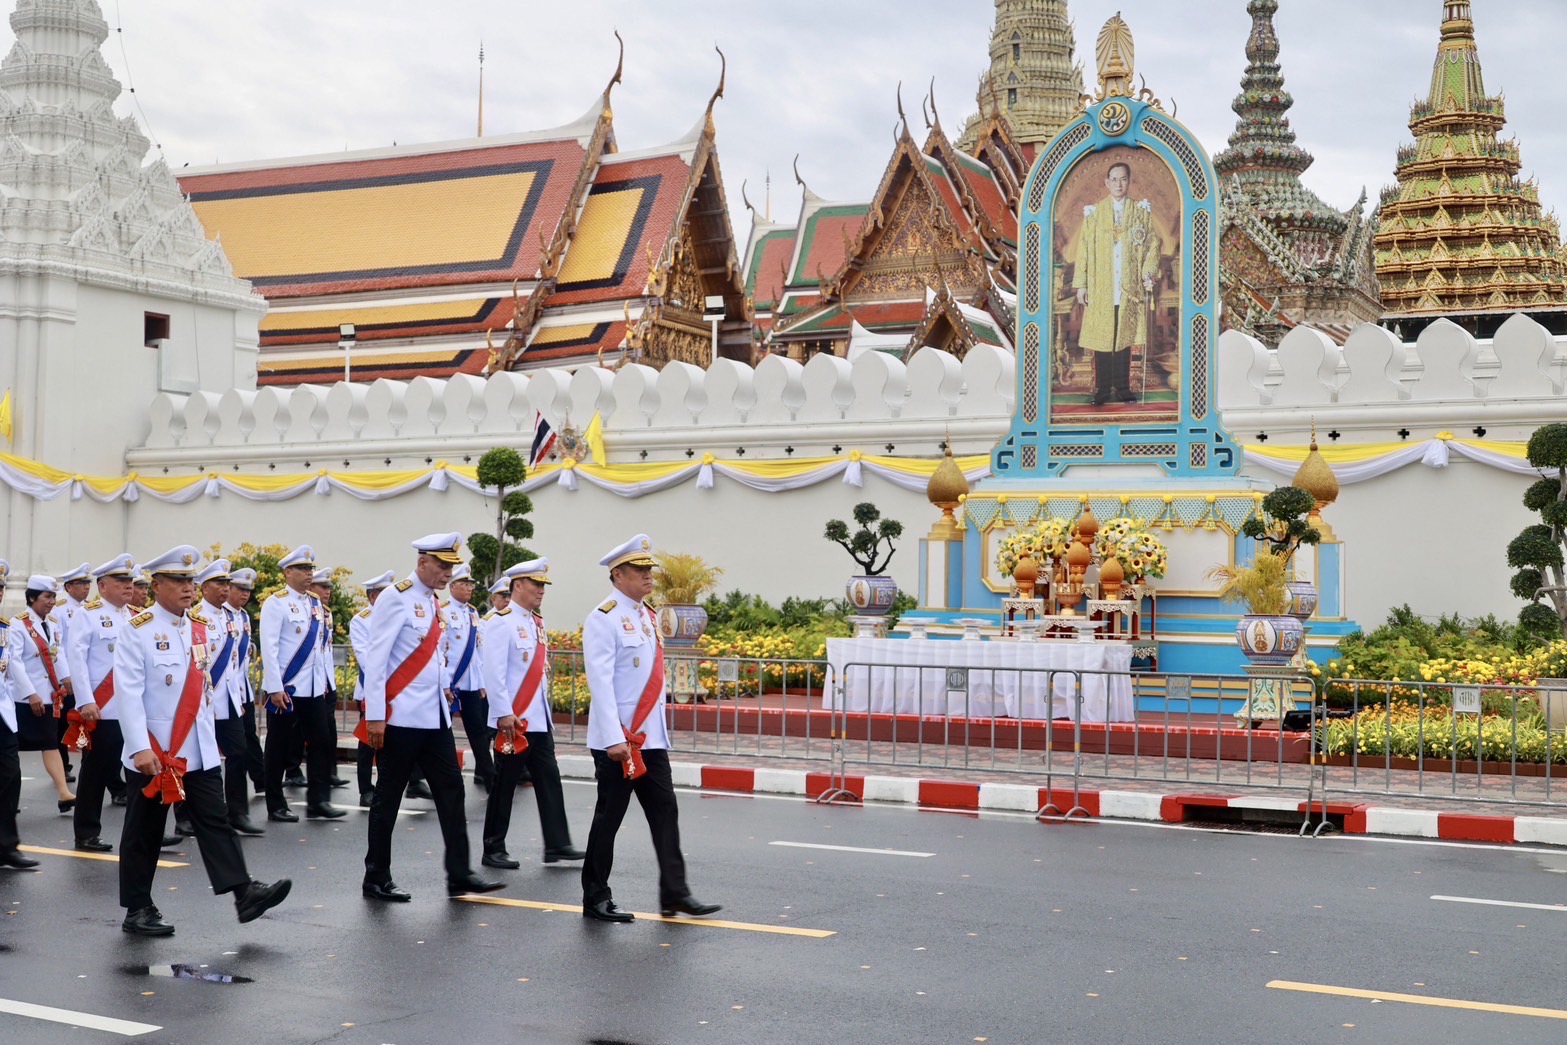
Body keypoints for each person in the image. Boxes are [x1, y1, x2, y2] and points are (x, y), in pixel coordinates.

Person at [115, 545, 291, 936]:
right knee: (144, 831)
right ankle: (137, 907)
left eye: (190, 580)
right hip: (157, 750)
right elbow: (128, 694)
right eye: (178, 580)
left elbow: (204, 687)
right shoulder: (138, 630)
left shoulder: (199, 627)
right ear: (157, 585)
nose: (187, 587)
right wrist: (140, 746)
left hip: (197, 748)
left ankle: (244, 894)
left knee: (215, 821)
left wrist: (212, 741)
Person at [580, 535, 720, 923]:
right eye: (640, 571)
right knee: (609, 818)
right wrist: (613, 738)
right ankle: (595, 897)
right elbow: (601, 682)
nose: (648, 577)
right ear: (618, 575)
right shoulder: (603, 617)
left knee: (665, 813)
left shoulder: (648, 614)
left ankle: (675, 893)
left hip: (650, 739)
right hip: (620, 739)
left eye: (649, 570)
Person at [359, 534, 501, 903]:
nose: (447, 573)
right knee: (388, 797)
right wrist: (376, 716)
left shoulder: (431, 602)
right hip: (401, 716)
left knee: (452, 793)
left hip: (433, 716)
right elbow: (377, 659)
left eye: (451, 567)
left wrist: (444, 692)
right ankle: (376, 875)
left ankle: (459, 874)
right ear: (422, 563)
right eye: (441, 566)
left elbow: (435, 657)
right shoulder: (395, 597)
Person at [480, 558, 583, 870]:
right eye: (536, 584)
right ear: (518, 586)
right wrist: (503, 713)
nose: (541, 590)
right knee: (505, 784)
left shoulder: (535, 622)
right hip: (514, 720)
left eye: (543, 585)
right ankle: (493, 847)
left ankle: (557, 843)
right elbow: (494, 673)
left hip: (537, 719)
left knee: (549, 779)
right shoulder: (501, 621)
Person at [259, 546, 344, 822]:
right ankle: (275, 802)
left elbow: (320, 648)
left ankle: (318, 801)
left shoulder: (315, 603)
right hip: (288, 688)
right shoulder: (276, 602)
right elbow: (269, 648)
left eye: (310, 569)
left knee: (320, 742)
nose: (309, 574)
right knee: (279, 746)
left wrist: (324, 682)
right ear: (288, 572)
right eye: (303, 569)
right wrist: (274, 687)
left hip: (313, 688)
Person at [1073, 159, 1162, 406]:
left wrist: (1147, 273)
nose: (1118, 184)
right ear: (1106, 182)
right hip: (1101, 285)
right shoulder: (1094, 213)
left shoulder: (1140, 211)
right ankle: (1102, 389)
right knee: (1103, 339)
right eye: (1114, 179)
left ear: (1129, 181)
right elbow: (1083, 250)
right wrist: (1082, 284)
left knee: (1123, 338)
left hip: (1128, 286)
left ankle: (1123, 388)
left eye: (1123, 179)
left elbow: (1152, 245)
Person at [65, 554, 137, 852]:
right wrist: (85, 700)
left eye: (130, 581)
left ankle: (144, 831)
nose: (128, 587)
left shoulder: (133, 616)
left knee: (136, 770)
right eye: (121, 582)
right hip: (103, 708)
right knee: (96, 772)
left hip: (131, 708)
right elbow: (77, 659)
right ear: (103, 585)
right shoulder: (88, 614)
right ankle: (86, 831)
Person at [195, 561, 262, 837]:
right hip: (203, 701)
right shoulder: (195, 616)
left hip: (230, 699)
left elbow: (236, 662)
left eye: (226, 584)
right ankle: (187, 815)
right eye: (219, 584)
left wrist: (241, 696)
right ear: (205, 587)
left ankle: (237, 813)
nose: (225, 589)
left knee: (238, 754)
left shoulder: (231, 616)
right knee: (198, 759)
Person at [8, 575, 75, 810]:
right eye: (47, 596)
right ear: (32, 598)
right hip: (24, 699)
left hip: (48, 695)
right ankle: (9, 798)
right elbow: (14, 662)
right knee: (12, 749)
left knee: (49, 742)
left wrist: (66, 680)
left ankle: (64, 792)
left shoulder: (53, 623)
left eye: (54, 597)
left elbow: (59, 654)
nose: (52, 601)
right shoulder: (18, 624)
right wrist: (30, 693)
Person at [0, 560, 40, 871]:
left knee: (10, 778)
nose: (0, 593)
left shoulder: (3, 627)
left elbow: (12, 665)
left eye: (1, 588)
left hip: (2, 715)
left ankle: (6, 846)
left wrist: (30, 694)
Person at [442, 564, 494, 793]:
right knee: (440, 731)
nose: (469, 588)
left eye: (471, 584)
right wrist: (445, 682)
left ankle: (491, 779)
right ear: (452, 586)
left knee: (479, 732)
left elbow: (478, 650)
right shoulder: (443, 610)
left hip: (470, 681)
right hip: (449, 681)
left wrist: (482, 681)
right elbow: (440, 650)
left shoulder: (472, 612)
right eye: (464, 584)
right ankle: (439, 778)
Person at [349, 570, 393, 807]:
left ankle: (386, 785)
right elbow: (366, 659)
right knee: (368, 742)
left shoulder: (395, 616)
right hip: (371, 688)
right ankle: (365, 789)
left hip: (397, 687)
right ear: (374, 596)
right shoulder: (361, 620)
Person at [225, 568, 266, 796]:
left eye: (248, 590)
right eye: (240, 589)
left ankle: (261, 780)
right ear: (229, 588)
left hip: (243, 689)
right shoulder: (220, 615)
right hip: (225, 691)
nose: (245, 594)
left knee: (250, 735)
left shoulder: (243, 616)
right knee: (234, 748)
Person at [57, 562, 92, 783]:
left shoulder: (90, 609)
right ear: (69, 587)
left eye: (88, 584)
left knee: (86, 722)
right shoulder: (59, 609)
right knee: (64, 723)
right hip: (69, 676)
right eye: (81, 584)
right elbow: (57, 644)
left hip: (88, 677)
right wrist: (65, 675)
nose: (86, 588)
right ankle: (63, 766)